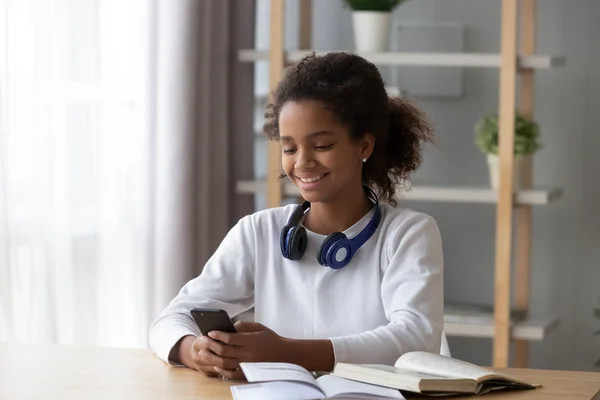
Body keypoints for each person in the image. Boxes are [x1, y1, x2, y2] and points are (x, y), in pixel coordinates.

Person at [149, 52, 444, 380]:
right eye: (289, 149)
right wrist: (195, 351)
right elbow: (169, 321)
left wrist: (286, 352)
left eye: (321, 146)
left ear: (363, 146)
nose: (302, 162)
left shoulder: (408, 233)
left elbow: (415, 339)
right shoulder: (258, 232)